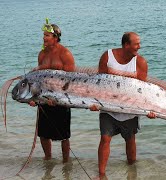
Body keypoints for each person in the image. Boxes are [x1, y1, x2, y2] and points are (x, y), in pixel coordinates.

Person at [89, 32, 156, 176]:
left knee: (130, 141)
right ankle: (101, 174)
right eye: (136, 44)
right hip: (108, 109)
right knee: (105, 138)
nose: (139, 47)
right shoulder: (107, 57)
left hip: (130, 110)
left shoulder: (140, 62)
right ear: (126, 45)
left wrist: (149, 110)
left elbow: (143, 91)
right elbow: (99, 84)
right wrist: (95, 103)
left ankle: (132, 173)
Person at [30, 18, 75, 163]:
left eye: (47, 35)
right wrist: (34, 98)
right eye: (43, 35)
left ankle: (66, 163)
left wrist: (56, 98)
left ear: (55, 38)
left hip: (60, 99)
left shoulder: (65, 53)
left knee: (64, 136)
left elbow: (70, 80)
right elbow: (38, 80)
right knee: (43, 134)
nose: (43, 38)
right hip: (44, 98)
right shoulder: (41, 54)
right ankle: (48, 160)